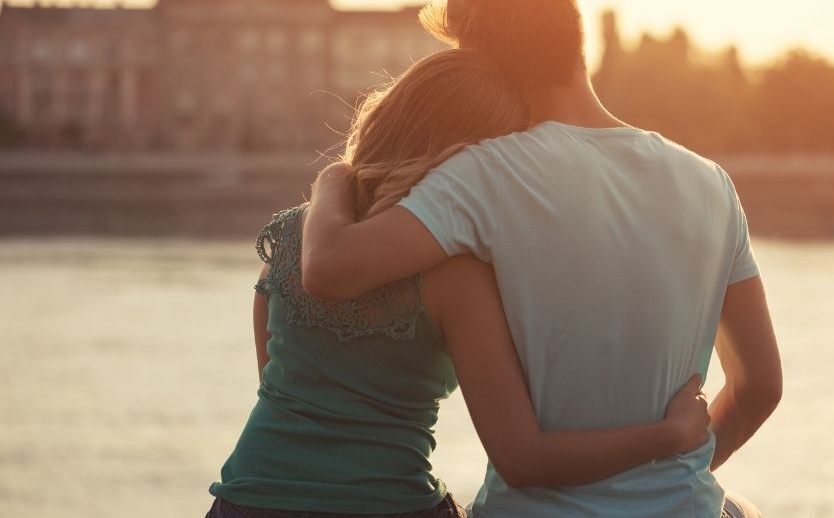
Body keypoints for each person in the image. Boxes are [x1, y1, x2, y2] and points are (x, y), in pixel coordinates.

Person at [301, 0, 782, 518]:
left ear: (482, 68)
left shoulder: (487, 174)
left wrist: (333, 179)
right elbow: (759, 387)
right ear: (575, 45)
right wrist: (672, 474)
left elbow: (331, 267)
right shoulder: (710, 183)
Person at [207, 49, 714, 518]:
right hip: (389, 504)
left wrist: (332, 180)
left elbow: (279, 392)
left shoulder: (289, 238)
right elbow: (524, 458)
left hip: (245, 500)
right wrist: (668, 434)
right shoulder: (455, 272)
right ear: (475, 158)